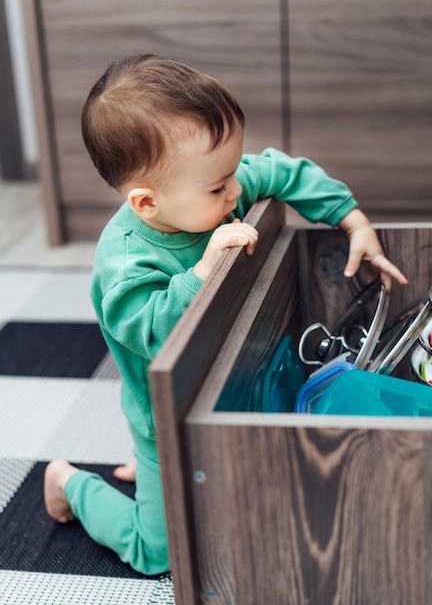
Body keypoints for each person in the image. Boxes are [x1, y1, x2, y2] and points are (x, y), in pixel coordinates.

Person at [44, 54, 408, 575]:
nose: (237, 191)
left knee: (218, 486)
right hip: (161, 413)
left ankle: (158, 476)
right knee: (157, 554)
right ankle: (70, 484)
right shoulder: (124, 264)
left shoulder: (214, 187)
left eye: (232, 173)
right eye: (219, 187)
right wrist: (204, 270)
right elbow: (154, 333)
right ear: (146, 204)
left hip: (216, 383)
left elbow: (283, 171)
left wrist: (353, 222)